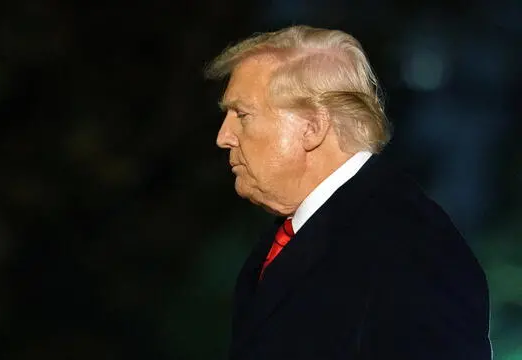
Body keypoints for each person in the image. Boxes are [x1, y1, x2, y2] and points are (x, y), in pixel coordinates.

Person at [205, 25, 491, 360]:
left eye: (242, 114)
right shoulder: (290, 237)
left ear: (312, 126)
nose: (224, 136)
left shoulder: (409, 245)